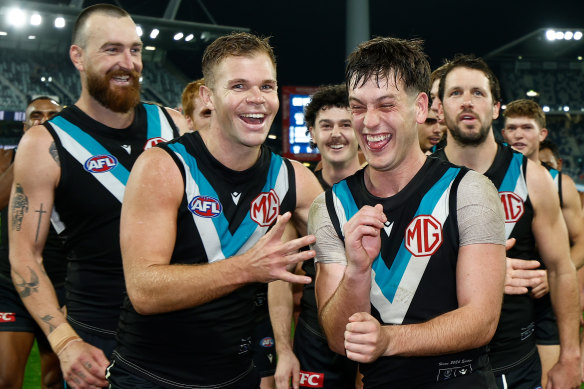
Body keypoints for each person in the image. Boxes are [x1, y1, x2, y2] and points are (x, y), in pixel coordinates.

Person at [107, 31, 323, 388]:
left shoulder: (291, 178)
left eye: (267, 86)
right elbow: (144, 290)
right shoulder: (164, 167)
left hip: (235, 374)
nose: (257, 99)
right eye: (239, 86)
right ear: (208, 96)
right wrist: (247, 268)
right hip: (152, 375)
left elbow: (342, 249)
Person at [8, 4, 186, 388]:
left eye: (135, 50)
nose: (128, 62)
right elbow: (25, 256)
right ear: (78, 56)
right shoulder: (46, 144)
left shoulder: (175, 125)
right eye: (112, 49)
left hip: (181, 330)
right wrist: (64, 340)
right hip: (99, 341)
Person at [314, 37, 506, 388]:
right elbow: (339, 339)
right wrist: (357, 271)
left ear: (420, 107)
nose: (369, 122)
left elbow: (482, 320)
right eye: (358, 107)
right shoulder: (330, 206)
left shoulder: (469, 191)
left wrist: (390, 340)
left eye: (386, 105)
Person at [435, 54, 581, 388]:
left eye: (478, 93)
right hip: (442, 363)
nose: (468, 102)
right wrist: (484, 275)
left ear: (497, 107)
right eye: (456, 93)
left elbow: (561, 269)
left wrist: (571, 356)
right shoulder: (420, 179)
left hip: (517, 362)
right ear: (439, 109)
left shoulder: (533, 178)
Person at [269, 84, 362, 389]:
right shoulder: (297, 194)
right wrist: (284, 351)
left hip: (375, 329)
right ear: (311, 132)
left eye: (346, 124)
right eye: (326, 125)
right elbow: (279, 277)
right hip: (315, 336)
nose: (336, 134)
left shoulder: (386, 187)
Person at [501, 99, 584, 387]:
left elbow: (582, 241)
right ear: (502, 133)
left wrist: (551, 277)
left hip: (549, 300)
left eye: (526, 127)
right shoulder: (490, 178)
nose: (518, 135)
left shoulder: (561, 185)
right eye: (511, 128)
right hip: (506, 302)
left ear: (542, 135)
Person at [0, 97, 65, 389]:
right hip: (12, 283)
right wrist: (29, 151)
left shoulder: (80, 167)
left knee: (54, 380)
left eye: (52, 115)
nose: (44, 120)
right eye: (36, 116)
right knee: (5, 379)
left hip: (60, 286)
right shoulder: (8, 160)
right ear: (26, 124)